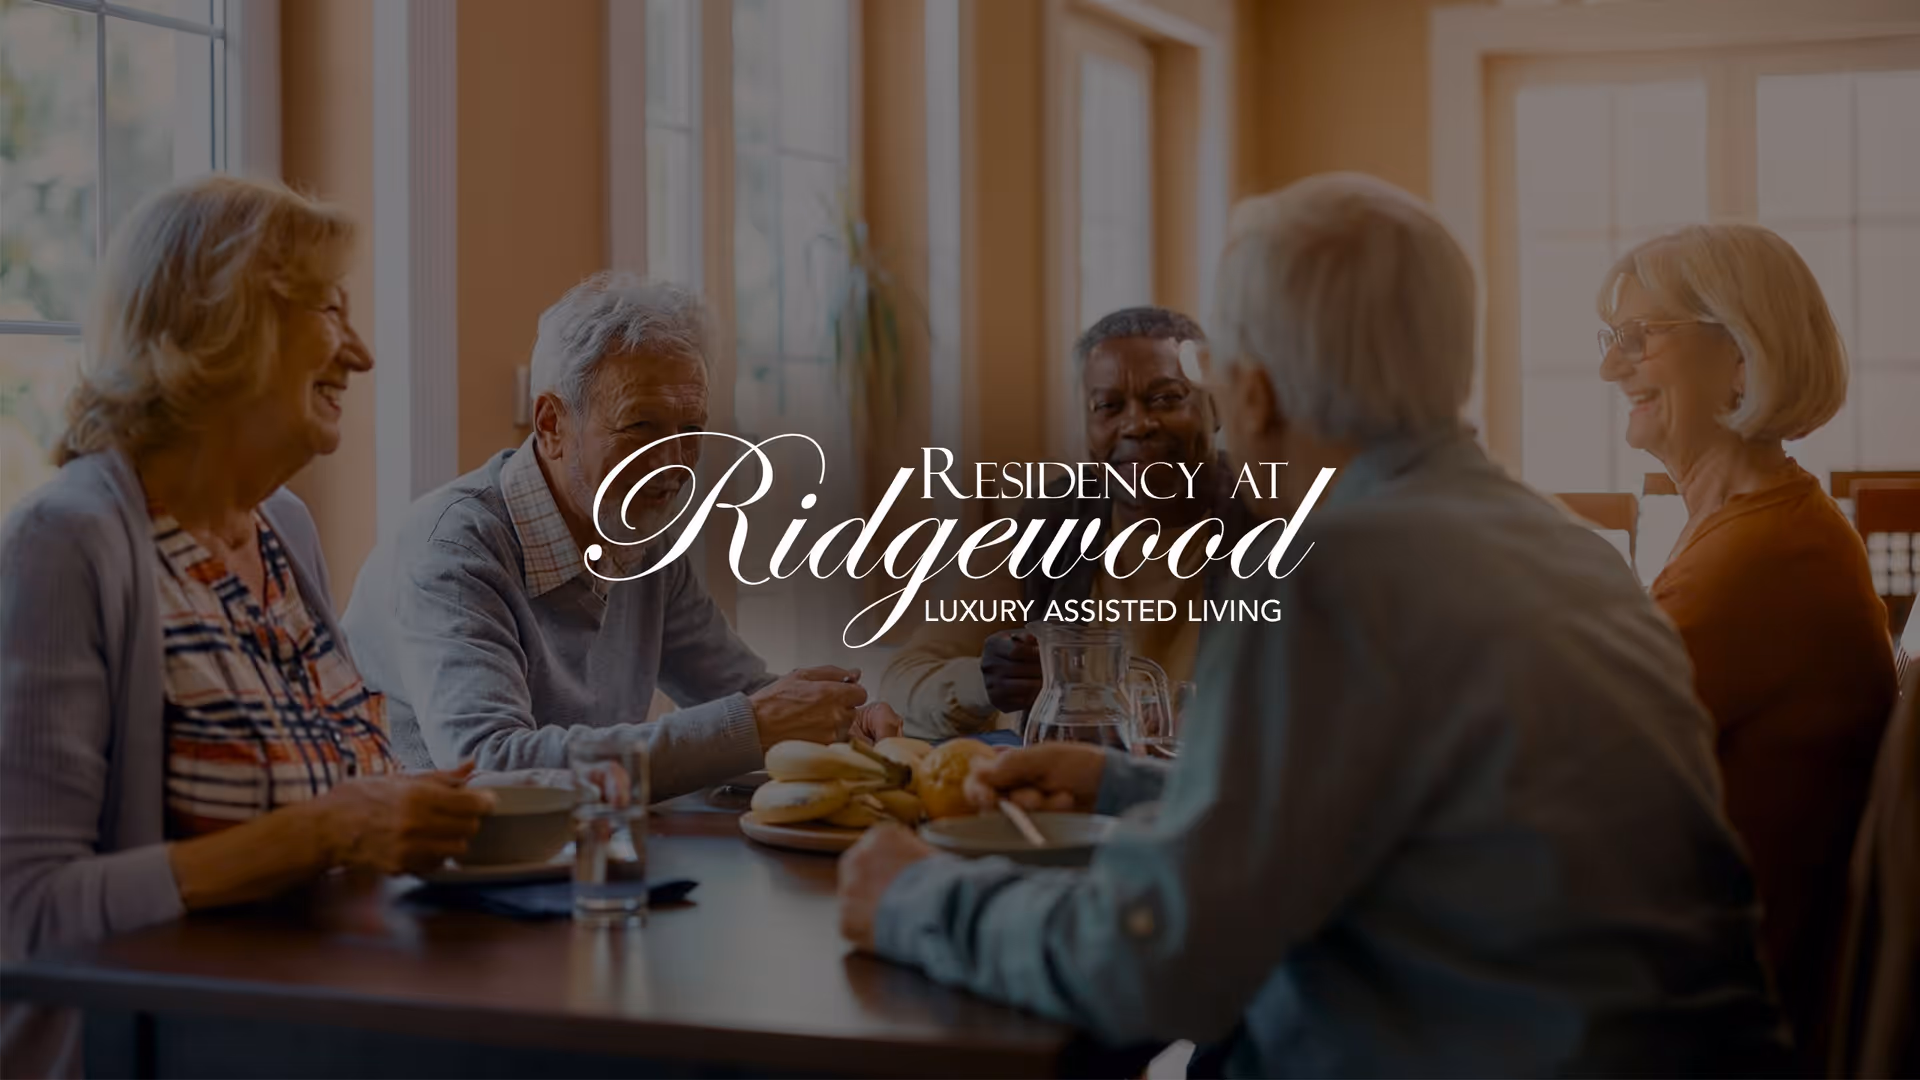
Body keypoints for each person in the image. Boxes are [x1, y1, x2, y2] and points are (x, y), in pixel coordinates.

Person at [837, 174, 1790, 1076]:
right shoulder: (1574, 549)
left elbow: (1161, 963)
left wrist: (915, 897)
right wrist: (1122, 782)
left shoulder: (1323, 576)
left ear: (1248, 392)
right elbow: (1406, 821)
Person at [0, 176, 495, 1078]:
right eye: (332, 311)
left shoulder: (284, 530)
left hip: (314, 1023)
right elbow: (27, 915)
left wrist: (410, 813)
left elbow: (338, 808)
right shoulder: (65, 545)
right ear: (225, 326)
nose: (364, 354)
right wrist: (327, 833)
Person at [342, 273, 898, 796]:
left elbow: (741, 693)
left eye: (691, 430)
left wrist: (837, 719)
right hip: (424, 879)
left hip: (582, 859)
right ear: (552, 425)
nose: (675, 465)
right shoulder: (453, 552)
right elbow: (491, 765)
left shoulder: (641, 537)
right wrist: (752, 724)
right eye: (641, 426)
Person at [1595, 225, 1896, 1065]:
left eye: (1638, 339)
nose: (1611, 369)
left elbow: (1571, 787)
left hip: (1718, 1033)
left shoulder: (1758, 559)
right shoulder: (1754, 527)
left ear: (1740, 355)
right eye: (1611, 340)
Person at [879, 307, 1262, 739]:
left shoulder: (1274, 519)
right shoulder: (1048, 524)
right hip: (1070, 793)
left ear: (1214, 409)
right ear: (1087, 427)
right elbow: (901, 683)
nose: (1136, 425)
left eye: (1166, 398)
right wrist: (985, 685)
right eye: (1108, 406)